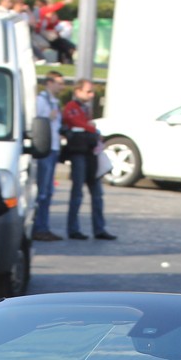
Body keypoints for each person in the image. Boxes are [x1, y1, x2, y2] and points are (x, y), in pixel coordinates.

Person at [61, 78, 116, 241]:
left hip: (89, 152)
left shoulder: (85, 108)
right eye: (88, 91)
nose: (91, 95)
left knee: (96, 193)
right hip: (79, 152)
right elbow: (74, 121)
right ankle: (74, 228)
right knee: (78, 192)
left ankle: (99, 228)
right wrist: (91, 128)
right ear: (78, 91)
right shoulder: (72, 107)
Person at [31, 71, 64, 242]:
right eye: (59, 82)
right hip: (45, 149)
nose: (62, 86)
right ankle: (38, 227)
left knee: (48, 191)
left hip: (53, 148)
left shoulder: (53, 101)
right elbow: (36, 122)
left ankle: (43, 226)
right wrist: (48, 117)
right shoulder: (41, 101)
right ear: (49, 82)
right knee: (42, 191)